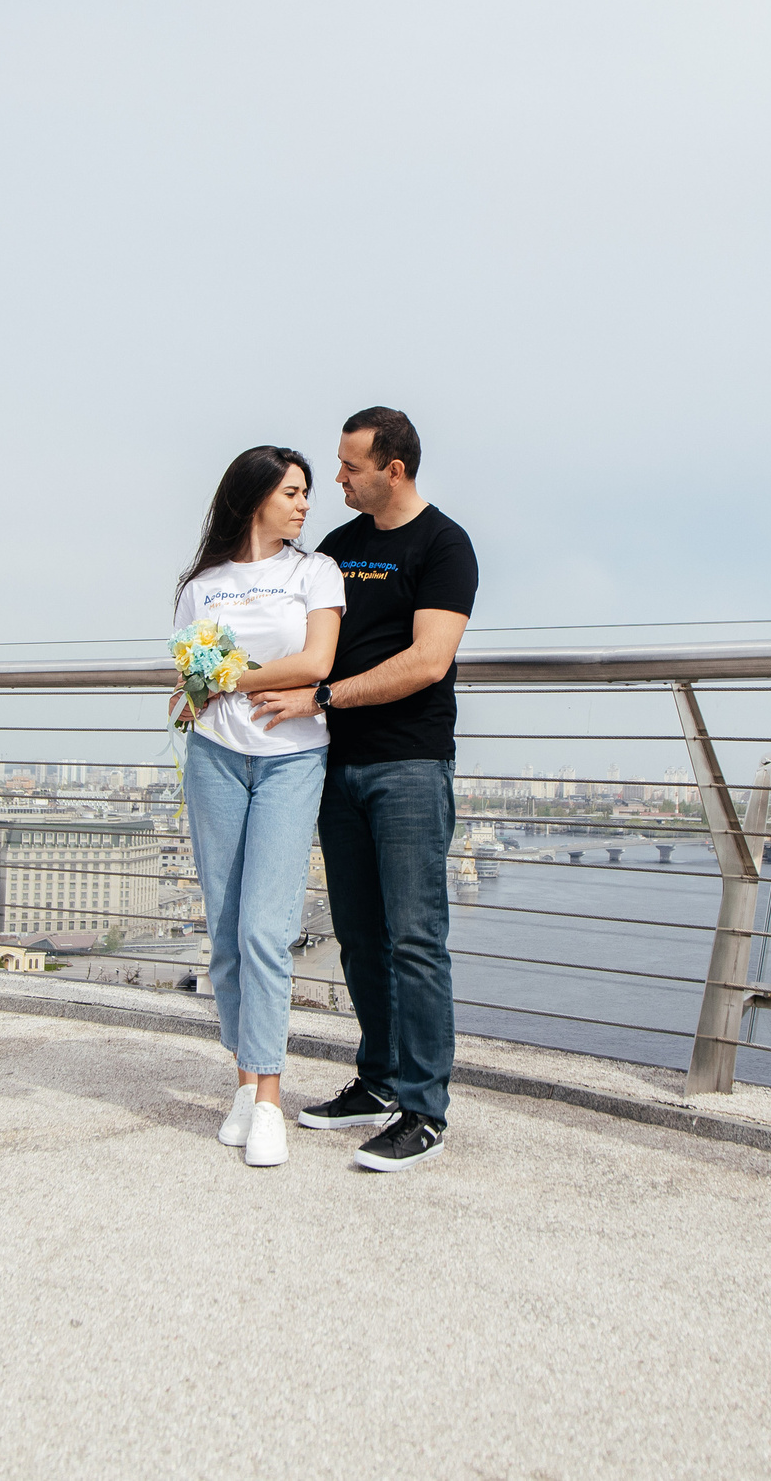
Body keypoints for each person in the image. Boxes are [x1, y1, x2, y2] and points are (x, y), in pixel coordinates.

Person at [249, 407, 476, 1172]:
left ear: (395, 471)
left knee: (415, 940)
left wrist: (326, 698)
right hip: (335, 767)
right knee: (359, 937)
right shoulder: (338, 550)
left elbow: (427, 661)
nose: (335, 480)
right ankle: (377, 1081)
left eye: (349, 468)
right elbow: (290, 629)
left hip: (408, 764)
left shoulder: (443, 545)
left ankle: (424, 1107)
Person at [172, 445, 345, 1170]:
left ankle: (270, 1097)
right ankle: (244, 1080)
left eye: (307, 491)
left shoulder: (315, 571)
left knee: (267, 928)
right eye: (293, 492)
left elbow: (316, 663)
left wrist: (228, 678)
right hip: (213, 755)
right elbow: (189, 677)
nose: (305, 504)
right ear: (254, 499)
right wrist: (200, 685)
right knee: (224, 929)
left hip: (291, 758)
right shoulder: (203, 584)